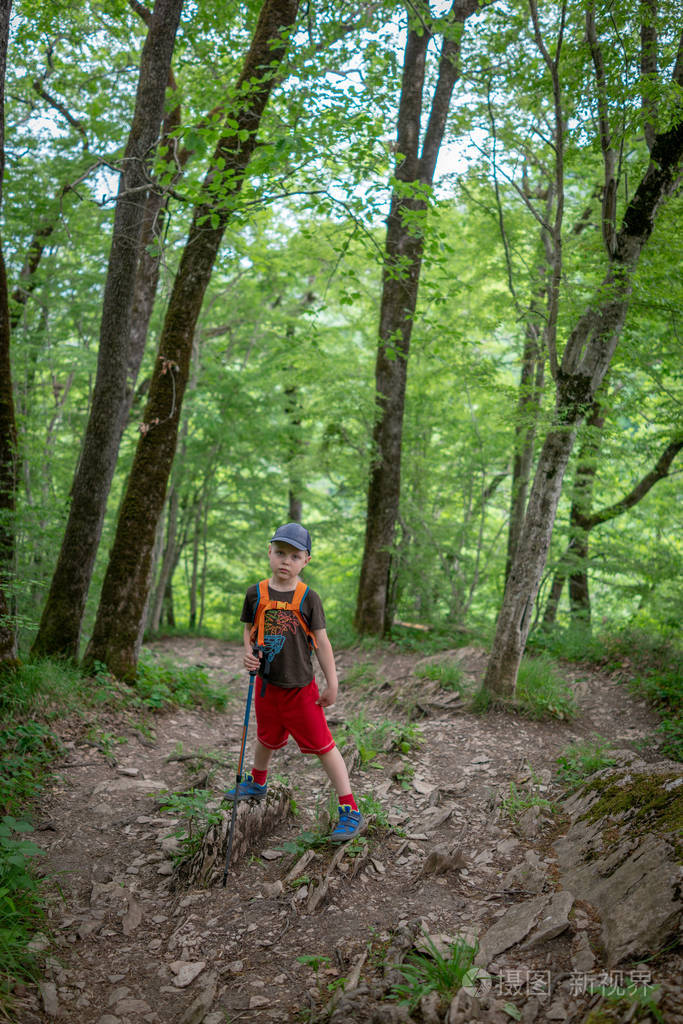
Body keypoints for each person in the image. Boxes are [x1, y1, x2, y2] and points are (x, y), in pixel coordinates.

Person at [226, 522, 364, 843]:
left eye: (294, 555)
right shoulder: (255, 593)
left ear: (306, 561)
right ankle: (258, 783)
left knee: (324, 746)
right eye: (279, 553)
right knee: (266, 736)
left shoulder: (308, 598)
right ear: (269, 553)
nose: (285, 561)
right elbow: (249, 630)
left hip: (301, 689)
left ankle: (350, 808)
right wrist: (248, 654)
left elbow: (322, 643)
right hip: (266, 685)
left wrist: (333, 682)